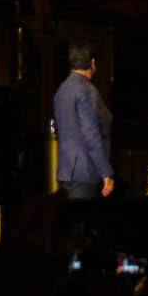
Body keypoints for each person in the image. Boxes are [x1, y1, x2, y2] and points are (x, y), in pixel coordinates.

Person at [53, 42, 112, 201]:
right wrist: (105, 172)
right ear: (92, 63)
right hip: (85, 171)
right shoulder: (87, 90)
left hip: (65, 170)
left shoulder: (61, 90)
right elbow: (91, 135)